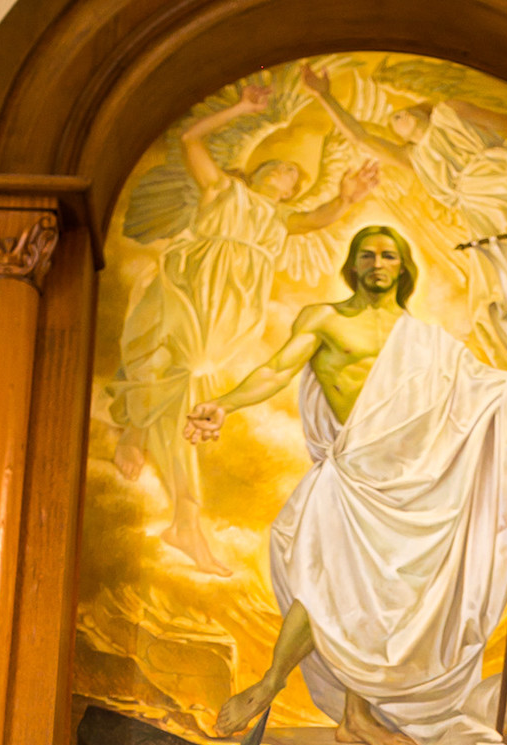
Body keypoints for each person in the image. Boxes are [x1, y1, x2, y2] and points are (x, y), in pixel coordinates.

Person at [186, 225, 507, 745]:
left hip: (406, 482)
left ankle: (355, 718)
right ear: (354, 264)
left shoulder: (424, 339)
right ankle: (270, 683)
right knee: (323, 584)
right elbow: (275, 369)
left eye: (388, 255)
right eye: (368, 254)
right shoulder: (325, 320)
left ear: (403, 267)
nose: (378, 263)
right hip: (350, 475)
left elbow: (483, 390)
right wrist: (224, 402)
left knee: (374, 601)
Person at [110, 79, 379, 574]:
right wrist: (238, 108)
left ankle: (144, 445)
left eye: (295, 181)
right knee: (175, 369)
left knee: (186, 374)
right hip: (188, 287)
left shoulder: (277, 221)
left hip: (229, 312)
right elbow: (191, 140)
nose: (291, 179)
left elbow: (318, 218)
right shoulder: (224, 190)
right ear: (258, 172)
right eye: (283, 169)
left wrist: (347, 199)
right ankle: (176, 501)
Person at [299, 63, 507, 240]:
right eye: (393, 121)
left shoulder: (450, 113)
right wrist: (325, 96)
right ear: (401, 138)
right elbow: (360, 137)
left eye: (402, 112)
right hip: (482, 206)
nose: (398, 117)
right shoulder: (414, 158)